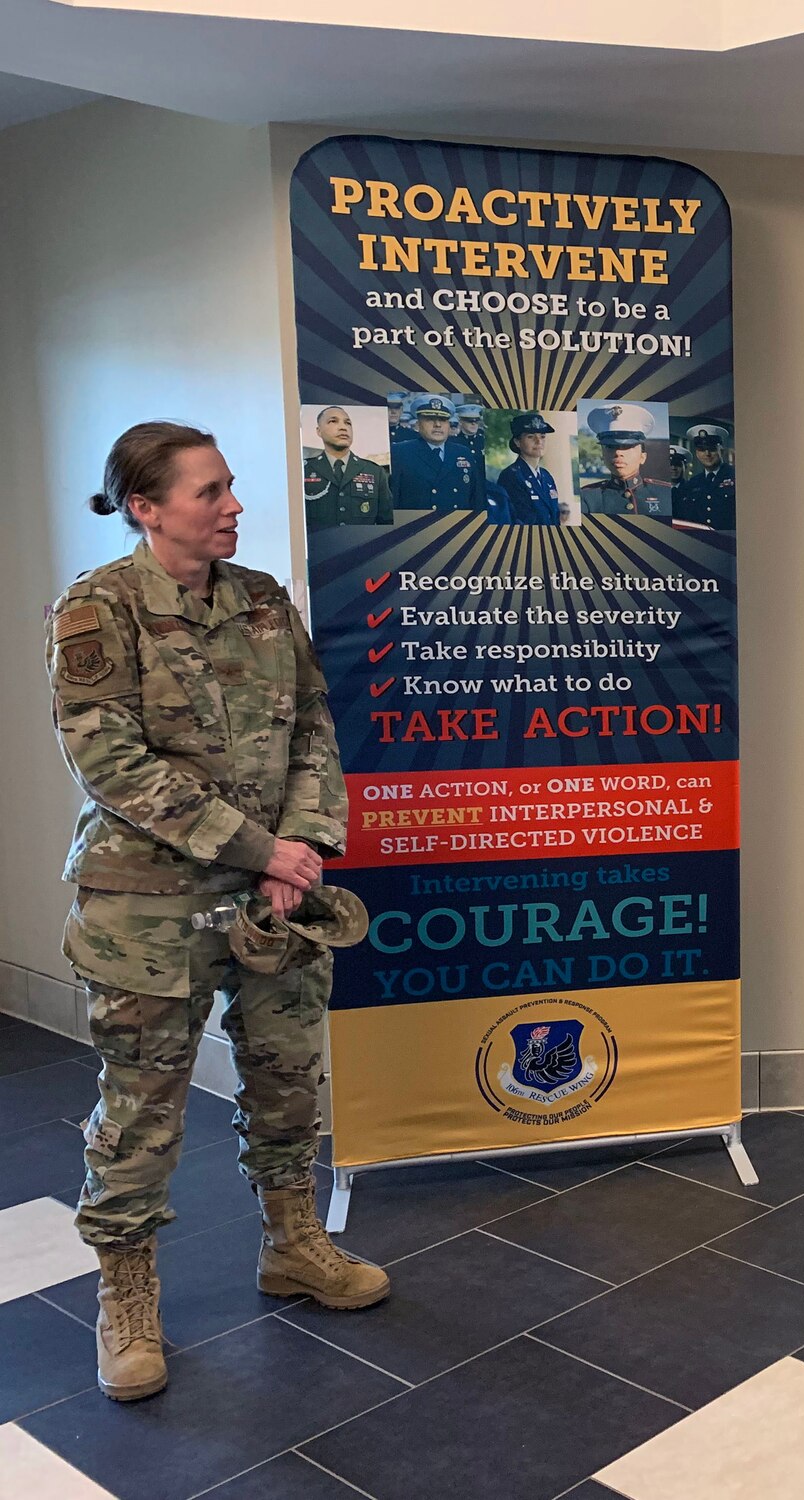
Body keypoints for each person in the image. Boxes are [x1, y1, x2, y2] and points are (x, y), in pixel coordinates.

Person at [47, 422, 390, 1403]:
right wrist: (258, 848)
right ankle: (126, 1300)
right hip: (148, 911)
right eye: (210, 493)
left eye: (230, 488)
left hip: (276, 900)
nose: (233, 506)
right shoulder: (96, 610)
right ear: (147, 508)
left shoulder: (265, 603)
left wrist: (305, 849)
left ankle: (293, 1246)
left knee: (286, 1081)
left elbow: (315, 725)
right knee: (142, 1112)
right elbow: (110, 764)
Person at [302, 406, 392, 528]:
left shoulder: (375, 472)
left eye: (348, 423)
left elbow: (387, 523)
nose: (343, 427)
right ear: (319, 431)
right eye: (333, 421)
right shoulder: (303, 470)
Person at [389, 395, 482, 511]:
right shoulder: (400, 452)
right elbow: (393, 501)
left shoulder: (463, 452)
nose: (438, 425)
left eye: (443, 420)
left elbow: (476, 498)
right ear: (418, 424)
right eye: (430, 419)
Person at [578, 403, 673, 517]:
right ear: (603, 455)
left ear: (643, 457)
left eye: (627, 446)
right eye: (610, 446)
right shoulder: (587, 498)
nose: (618, 453)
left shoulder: (667, 493)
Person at [491, 412, 561, 524]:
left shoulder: (546, 476)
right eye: (531, 437)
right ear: (517, 442)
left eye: (542, 437)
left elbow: (555, 515)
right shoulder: (511, 476)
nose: (539, 442)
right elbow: (518, 518)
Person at [676, 422, 735, 529]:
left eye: (712, 449)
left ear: (721, 450)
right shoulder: (693, 483)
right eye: (702, 449)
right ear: (697, 453)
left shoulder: (735, 476)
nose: (707, 454)